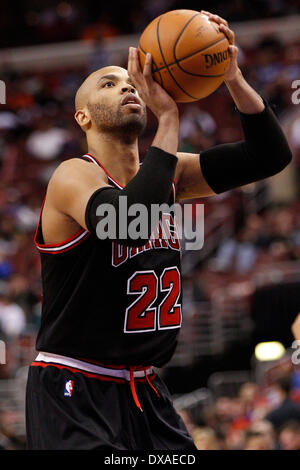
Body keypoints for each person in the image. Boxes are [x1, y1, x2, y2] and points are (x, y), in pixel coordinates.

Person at [25, 11, 292, 450]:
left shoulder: (169, 173)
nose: (126, 85)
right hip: (74, 386)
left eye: (128, 81)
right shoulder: (73, 176)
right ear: (83, 118)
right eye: (108, 84)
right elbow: (130, 223)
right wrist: (168, 120)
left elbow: (268, 156)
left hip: (145, 388)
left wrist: (232, 76)